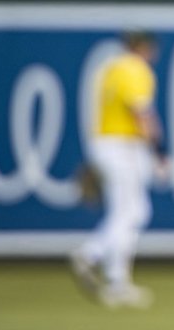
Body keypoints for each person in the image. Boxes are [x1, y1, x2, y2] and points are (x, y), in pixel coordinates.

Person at [70, 29, 166, 309]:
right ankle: (90, 254)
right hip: (123, 147)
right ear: (143, 47)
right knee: (132, 211)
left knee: (130, 211)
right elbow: (141, 113)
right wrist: (160, 152)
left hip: (104, 143)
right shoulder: (136, 70)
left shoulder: (110, 67)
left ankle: (117, 281)